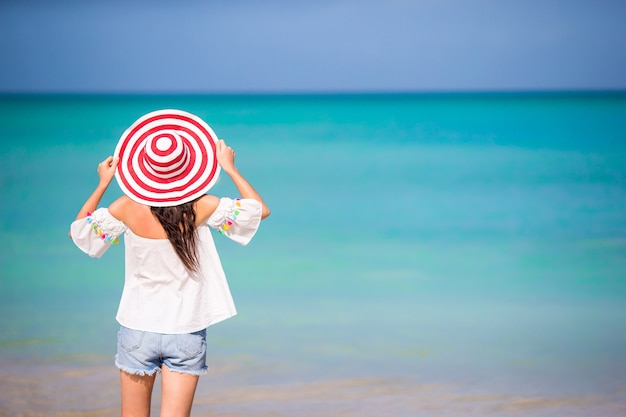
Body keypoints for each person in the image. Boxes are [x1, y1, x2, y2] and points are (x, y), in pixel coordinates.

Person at [69, 110, 270, 417]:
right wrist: (230, 168)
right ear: (188, 168)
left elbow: (81, 230)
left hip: (137, 327)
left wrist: (103, 183)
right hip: (184, 330)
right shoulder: (202, 206)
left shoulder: (126, 207)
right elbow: (259, 210)